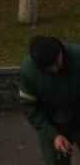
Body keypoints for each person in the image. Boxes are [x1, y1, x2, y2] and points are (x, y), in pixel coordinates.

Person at [19, 36, 80, 165]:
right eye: (48, 68)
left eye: (56, 63)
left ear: (60, 52)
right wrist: (52, 135)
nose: (54, 69)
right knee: (56, 161)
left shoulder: (78, 57)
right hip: (53, 123)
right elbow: (30, 107)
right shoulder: (29, 72)